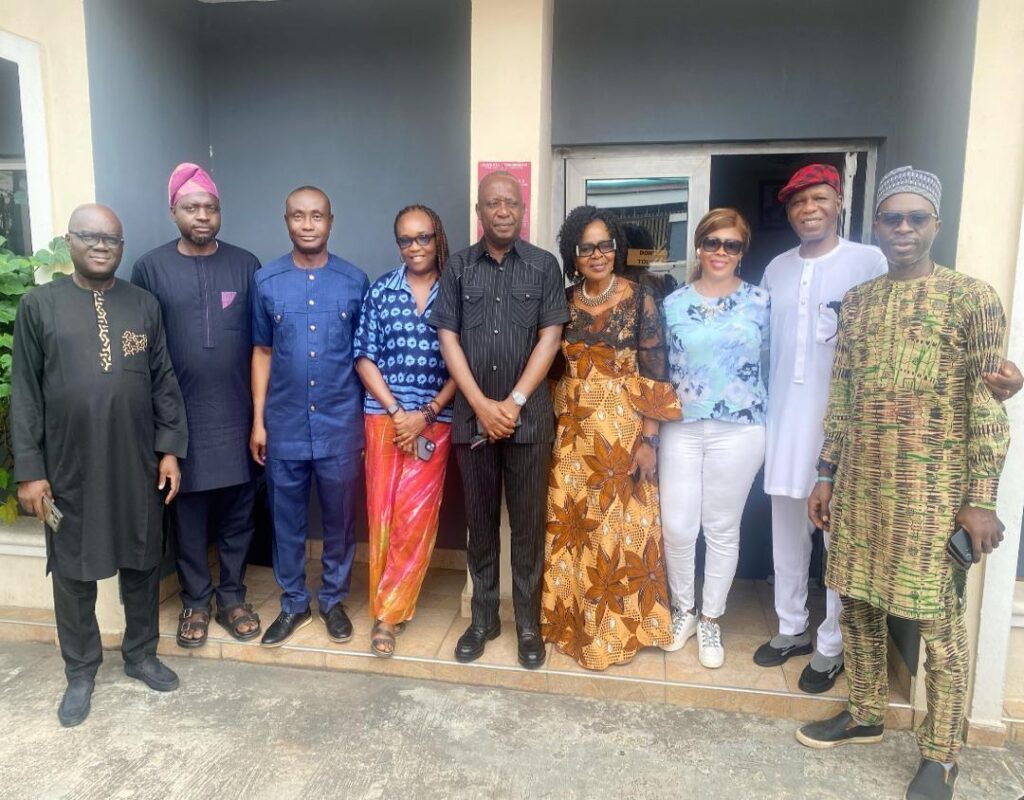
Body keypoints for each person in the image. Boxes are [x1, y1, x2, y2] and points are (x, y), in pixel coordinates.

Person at [755, 164, 1023, 694]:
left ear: (840, 204)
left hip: (875, 448)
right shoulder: (778, 269)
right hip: (790, 421)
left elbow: (972, 384)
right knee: (787, 532)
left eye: (820, 198)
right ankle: (791, 626)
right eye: (798, 201)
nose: (809, 208)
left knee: (844, 549)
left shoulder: (871, 261)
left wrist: (1004, 384)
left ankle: (831, 646)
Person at [796, 167, 1009, 800]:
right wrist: (826, 473)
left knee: (938, 623)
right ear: (877, 225)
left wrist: (982, 499)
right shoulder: (859, 302)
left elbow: (989, 404)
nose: (904, 229)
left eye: (917, 218)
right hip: (862, 484)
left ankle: (941, 755)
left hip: (933, 491)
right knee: (858, 602)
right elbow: (843, 395)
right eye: (892, 218)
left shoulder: (972, 299)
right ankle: (865, 714)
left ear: (935, 224)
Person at [11, 204, 189, 727]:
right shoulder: (39, 306)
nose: (101, 246)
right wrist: (30, 471)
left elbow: (163, 381)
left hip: (136, 462)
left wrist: (170, 450)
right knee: (72, 570)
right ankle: (81, 670)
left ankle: (140, 654)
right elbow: (25, 394)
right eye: (89, 236)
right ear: (69, 241)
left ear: (121, 247)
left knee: (142, 561)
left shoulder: (143, 305)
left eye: (111, 239)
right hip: (68, 467)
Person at [429, 171, 568, 669]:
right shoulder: (459, 267)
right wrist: (483, 406)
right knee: (481, 525)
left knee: (528, 528)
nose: (503, 210)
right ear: (479, 211)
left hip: (528, 423)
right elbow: (448, 338)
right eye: (493, 203)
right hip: (473, 421)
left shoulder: (544, 265)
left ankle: (528, 624)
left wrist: (512, 401)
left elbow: (550, 337)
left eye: (511, 202)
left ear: (522, 210)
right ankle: (483, 619)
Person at [541, 206, 682, 670]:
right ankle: (574, 626)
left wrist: (650, 441)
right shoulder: (563, 301)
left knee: (617, 533)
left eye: (605, 245)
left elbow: (656, 371)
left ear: (616, 249)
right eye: (586, 248)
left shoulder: (640, 299)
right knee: (575, 527)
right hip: (572, 432)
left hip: (622, 434)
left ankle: (615, 635)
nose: (597, 254)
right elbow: (551, 366)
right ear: (573, 254)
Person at [131, 163, 262, 648]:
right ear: (174, 211)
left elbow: (261, 345)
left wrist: (261, 417)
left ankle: (232, 597)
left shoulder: (246, 264)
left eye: (210, 207)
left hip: (237, 413)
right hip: (179, 417)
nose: (202, 215)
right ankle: (195, 601)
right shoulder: (150, 267)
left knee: (238, 513)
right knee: (186, 515)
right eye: (191, 207)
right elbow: (145, 349)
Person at [250, 186, 369, 647]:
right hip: (284, 425)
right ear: (286, 221)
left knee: (341, 519)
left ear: (330, 221)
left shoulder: (355, 281)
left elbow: (365, 356)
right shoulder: (266, 281)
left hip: (341, 424)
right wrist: (259, 421)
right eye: (298, 216)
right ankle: (294, 603)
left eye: (316, 215)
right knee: (286, 520)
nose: (307, 224)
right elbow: (262, 352)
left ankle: (334, 601)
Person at [659, 208, 769, 668]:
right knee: (677, 526)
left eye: (731, 244)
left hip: (740, 429)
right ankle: (684, 610)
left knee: (721, 528)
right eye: (712, 242)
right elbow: (659, 368)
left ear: (742, 252)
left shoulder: (762, 302)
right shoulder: (672, 304)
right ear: (699, 247)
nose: (721, 251)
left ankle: (710, 618)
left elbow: (777, 364)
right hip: (681, 426)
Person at [354, 204, 457, 657]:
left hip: (434, 423)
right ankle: (385, 604)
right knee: (382, 514)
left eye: (423, 237)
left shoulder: (456, 293)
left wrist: (426, 414)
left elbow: (464, 366)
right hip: (383, 419)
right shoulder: (381, 291)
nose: (415, 247)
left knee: (415, 519)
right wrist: (397, 412)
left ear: (438, 238)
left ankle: (388, 616)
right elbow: (364, 357)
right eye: (406, 239)